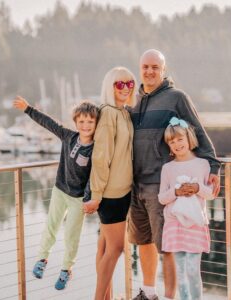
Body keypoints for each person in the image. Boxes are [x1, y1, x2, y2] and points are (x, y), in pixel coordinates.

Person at [128, 49, 221, 300]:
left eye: (155, 67)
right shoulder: (133, 101)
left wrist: (213, 165)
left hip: (160, 184)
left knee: (167, 246)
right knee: (143, 242)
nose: (149, 71)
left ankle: (170, 297)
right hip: (133, 185)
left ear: (163, 70)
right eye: (145, 67)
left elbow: (198, 131)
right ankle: (149, 292)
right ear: (140, 69)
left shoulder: (176, 97)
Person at [13, 96, 99, 290]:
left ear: (96, 124)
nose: (85, 125)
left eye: (90, 122)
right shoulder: (68, 136)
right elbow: (49, 123)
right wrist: (28, 108)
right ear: (76, 122)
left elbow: (96, 175)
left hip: (78, 199)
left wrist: (88, 198)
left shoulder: (97, 148)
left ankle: (66, 269)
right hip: (60, 190)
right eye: (82, 121)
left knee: (71, 235)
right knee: (51, 226)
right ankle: (42, 258)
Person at [82, 66, 137, 300]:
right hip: (111, 193)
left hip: (123, 190)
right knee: (116, 248)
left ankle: (106, 297)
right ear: (110, 87)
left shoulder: (123, 112)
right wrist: (96, 194)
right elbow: (101, 157)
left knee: (105, 247)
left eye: (129, 83)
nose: (125, 88)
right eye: (119, 84)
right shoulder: (108, 113)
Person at [158, 117, 214, 300]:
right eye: (172, 142)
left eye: (180, 139)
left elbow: (211, 194)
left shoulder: (203, 164)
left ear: (189, 138)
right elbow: (161, 198)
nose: (176, 144)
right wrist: (176, 191)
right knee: (181, 272)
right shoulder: (167, 168)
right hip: (174, 225)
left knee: (192, 269)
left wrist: (198, 188)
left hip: (195, 223)